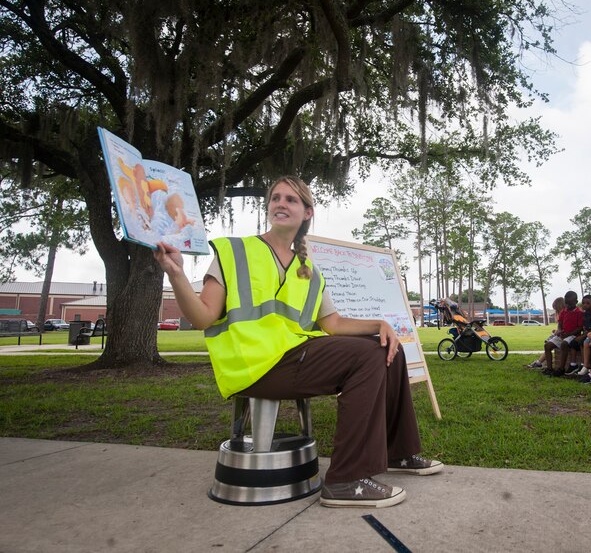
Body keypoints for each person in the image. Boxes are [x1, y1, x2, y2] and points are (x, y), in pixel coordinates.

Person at [153, 176, 442, 509]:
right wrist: (175, 274)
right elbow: (203, 316)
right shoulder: (234, 251)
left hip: (294, 358)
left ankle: (398, 453)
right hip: (254, 366)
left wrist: (380, 325)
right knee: (367, 356)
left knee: (386, 348)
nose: (280, 203)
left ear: (307, 213)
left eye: (290, 199)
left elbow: (332, 323)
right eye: (275, 198)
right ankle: (346, 480)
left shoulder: (309, 271)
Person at [544, 291, 584, 377]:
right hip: (563, 334)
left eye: (570, 303)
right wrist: (559, 330)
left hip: (573, 335)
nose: (568, 306)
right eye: (566, 303)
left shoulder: (579, 312)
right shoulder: (564, 311)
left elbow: (580, 327)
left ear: (576, 302)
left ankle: (561, 368)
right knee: (547, 346)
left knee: (564, 344)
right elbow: (560, 323)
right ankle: (549, 369)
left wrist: (568, 334)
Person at [527, 296, 565, 369]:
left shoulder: (564, 314)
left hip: (562, 336)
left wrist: (557, 332)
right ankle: (540, 362)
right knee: (547, 345)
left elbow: (564, 328)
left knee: (548, 345)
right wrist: (556, 331)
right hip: (559, 335)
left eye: (556, 308)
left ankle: (540, 363)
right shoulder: (560, 314)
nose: (555, 310)